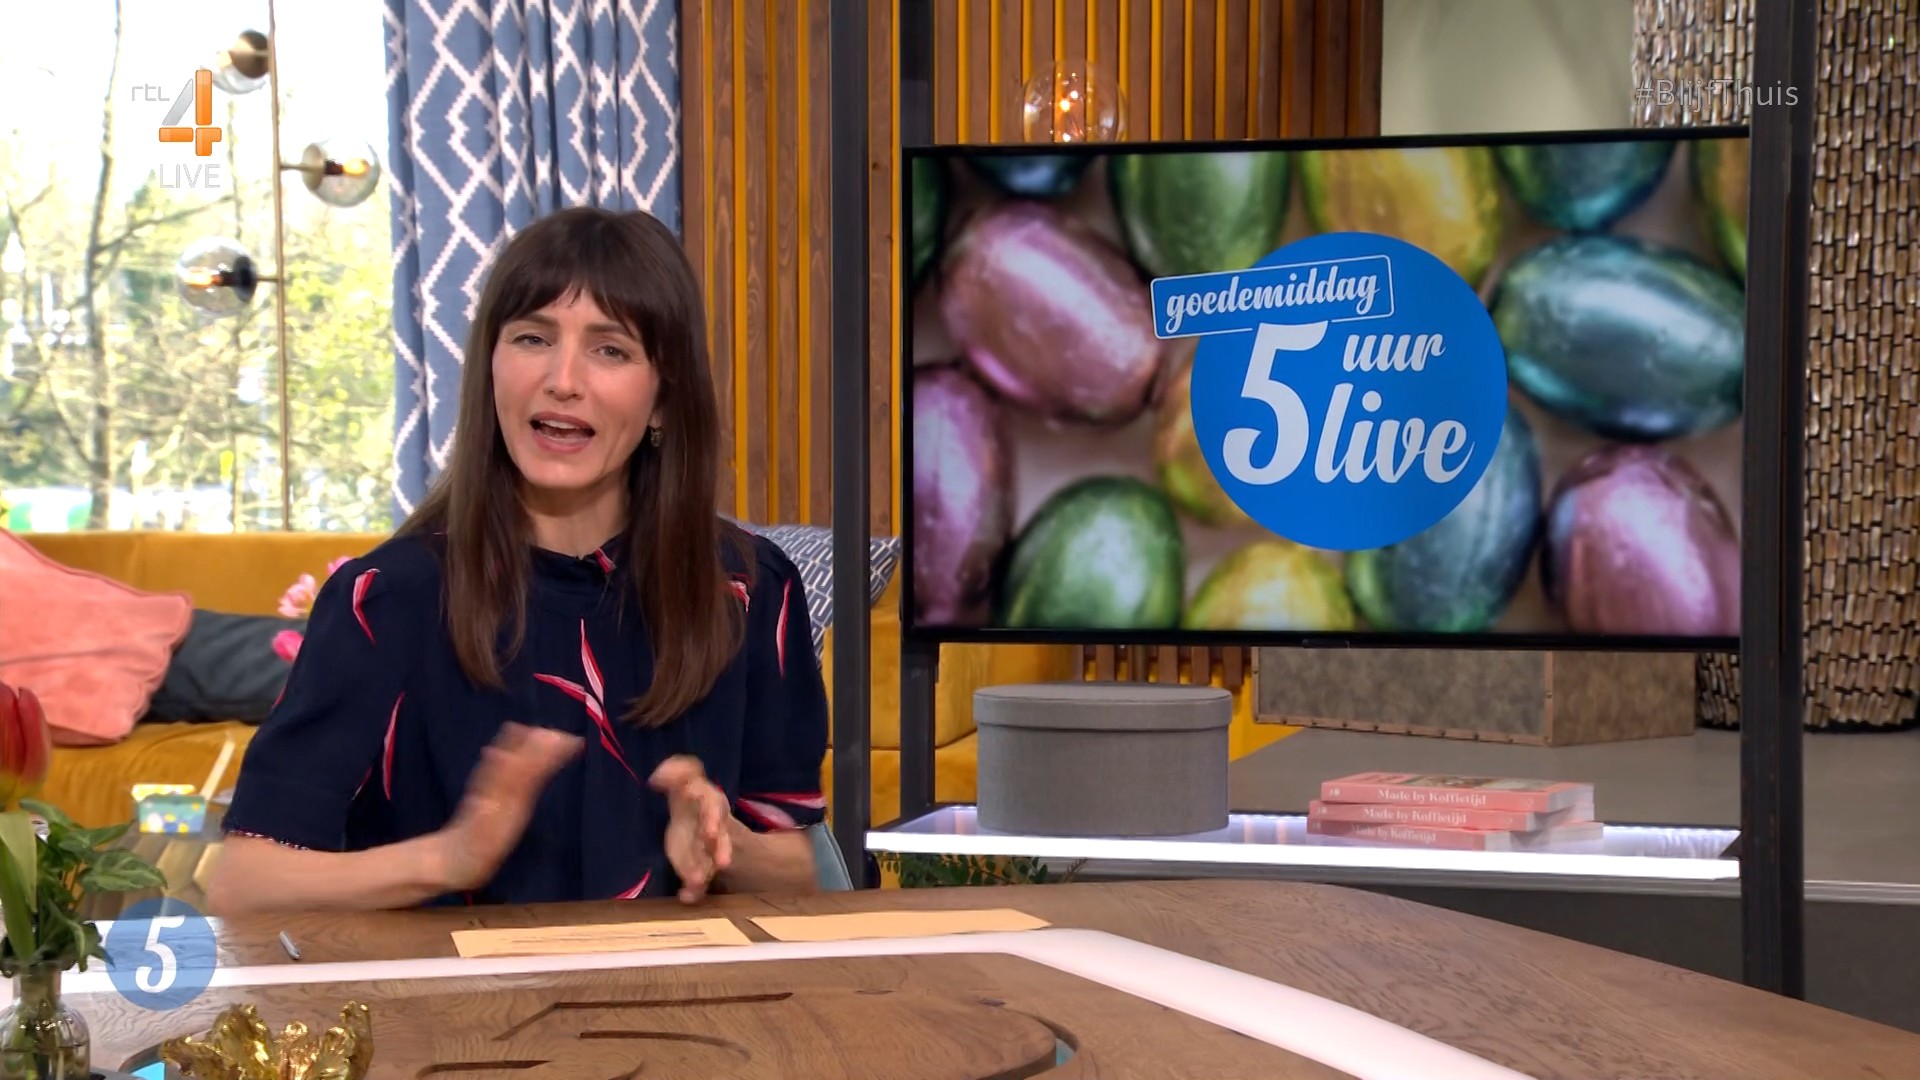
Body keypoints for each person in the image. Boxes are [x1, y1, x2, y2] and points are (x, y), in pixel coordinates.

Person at [205, 207, 829, 914]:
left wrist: (724, 842)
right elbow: (243, 886)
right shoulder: (386, 600)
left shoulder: (748, 588)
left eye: (610, 350)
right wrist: (448, 858)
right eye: (533, 338)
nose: (563, 380)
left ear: (664, 399)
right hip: (449, 988)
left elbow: (800, 874)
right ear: (491, 369)